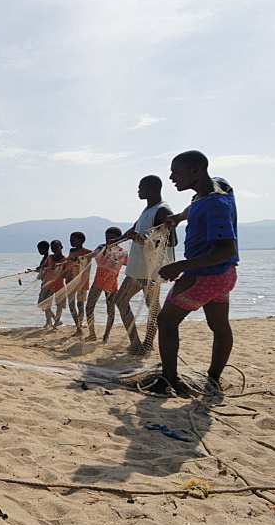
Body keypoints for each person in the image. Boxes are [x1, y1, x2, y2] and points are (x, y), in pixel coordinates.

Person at [156, 150, 238, 397]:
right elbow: (197, 203)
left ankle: (169, 380)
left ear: (195, 171)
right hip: (224, 276)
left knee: (166, 321)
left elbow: (225, 249)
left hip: (203, 275)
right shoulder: (220, 187)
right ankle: (213, 379)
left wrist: (179, 266)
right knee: (219, 325)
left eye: (176, 172)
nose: (171, 177)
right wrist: (179, 217)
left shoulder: (214, 204)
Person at [113, 175, 176, 354]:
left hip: (149, 269)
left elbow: (169, 241)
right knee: (151, 305)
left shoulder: (162, 211)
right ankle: (142, 344)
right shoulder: (148, 209)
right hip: (139, 267)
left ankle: (140, 344)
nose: (138, 191)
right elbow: (133, 231)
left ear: (149, 189)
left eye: (140, 188)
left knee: (125, 301)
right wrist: (115, 241)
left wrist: (140, 240)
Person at [83, 227, 129, 342]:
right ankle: (92, 333)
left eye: (112, 238)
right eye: (107, 237)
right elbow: (91, 255)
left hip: (111, 284)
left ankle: (106, 335)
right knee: (89, 307)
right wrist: (78, 258)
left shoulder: (122, 252)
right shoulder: (101, 247)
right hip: (98, 282)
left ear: (119, 239)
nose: (108, 240)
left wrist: (108, 255)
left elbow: (117, 264)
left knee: (110, 310)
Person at [65, 232, 91, 337]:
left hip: (82, 282)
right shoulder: (71, 251)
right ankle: (78, 326)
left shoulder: (87, 253)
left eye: (73, 239)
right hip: (71, 281)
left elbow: (88, 266)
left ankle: (80, 326)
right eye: (70, 239)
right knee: (71, 305)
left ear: (80, 241)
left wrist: (80, 261)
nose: (70, 241)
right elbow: (67, 264)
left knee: (80, 305)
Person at [39, 239, 67, 329]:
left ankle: (56, 321)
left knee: (59, 306)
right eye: (52, 248)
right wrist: (40, 268)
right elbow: (44, 267)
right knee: (44, 304)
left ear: (61, 247)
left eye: (56, 247)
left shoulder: (65, 260)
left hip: (59, 286)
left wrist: (59, 270)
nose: (54, 249)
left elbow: (67, 274)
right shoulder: (49, 258)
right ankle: (51, 321)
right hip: (47, 285)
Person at [34, 240, 51, 327]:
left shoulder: (48, 258)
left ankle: (51, 320)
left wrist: (40, 269)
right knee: (43, 304)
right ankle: (50, 321)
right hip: (44, 283)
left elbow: (46, 269)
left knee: (44, 303)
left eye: (39, 249)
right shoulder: (45, 258)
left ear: (44, 249)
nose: (38, 251)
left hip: (48, 284)